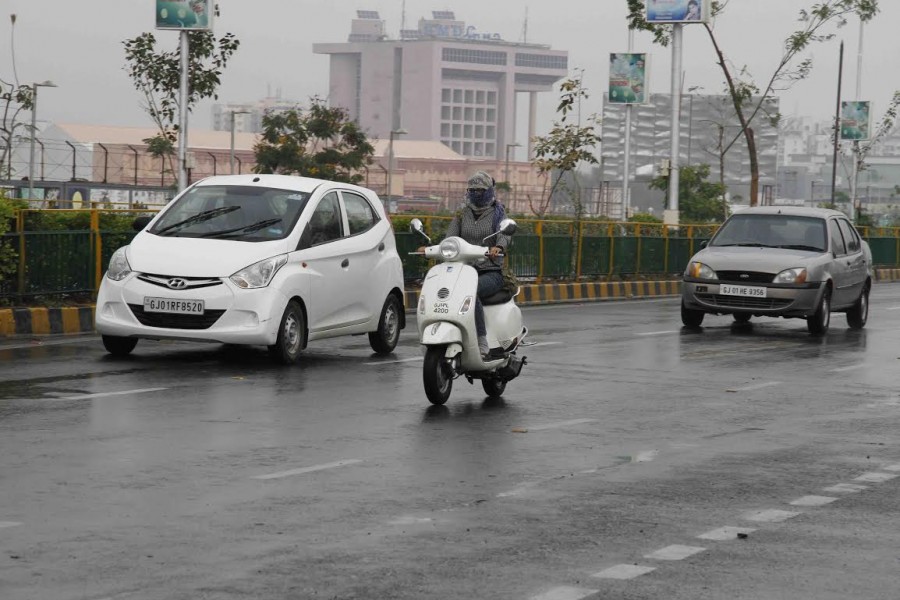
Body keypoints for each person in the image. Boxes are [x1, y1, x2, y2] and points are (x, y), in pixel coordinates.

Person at [421, 171, 511, 357]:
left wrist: (498, 247)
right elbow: (450, 239)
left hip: (490, 271)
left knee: (472, 292)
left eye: (480, 190)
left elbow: (504, 235)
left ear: (489, 191)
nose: (476, 194)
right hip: (463, 271)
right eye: (473, 190)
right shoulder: (462, 214)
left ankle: (481, 339)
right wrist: (432, 249)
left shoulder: (498, 213)